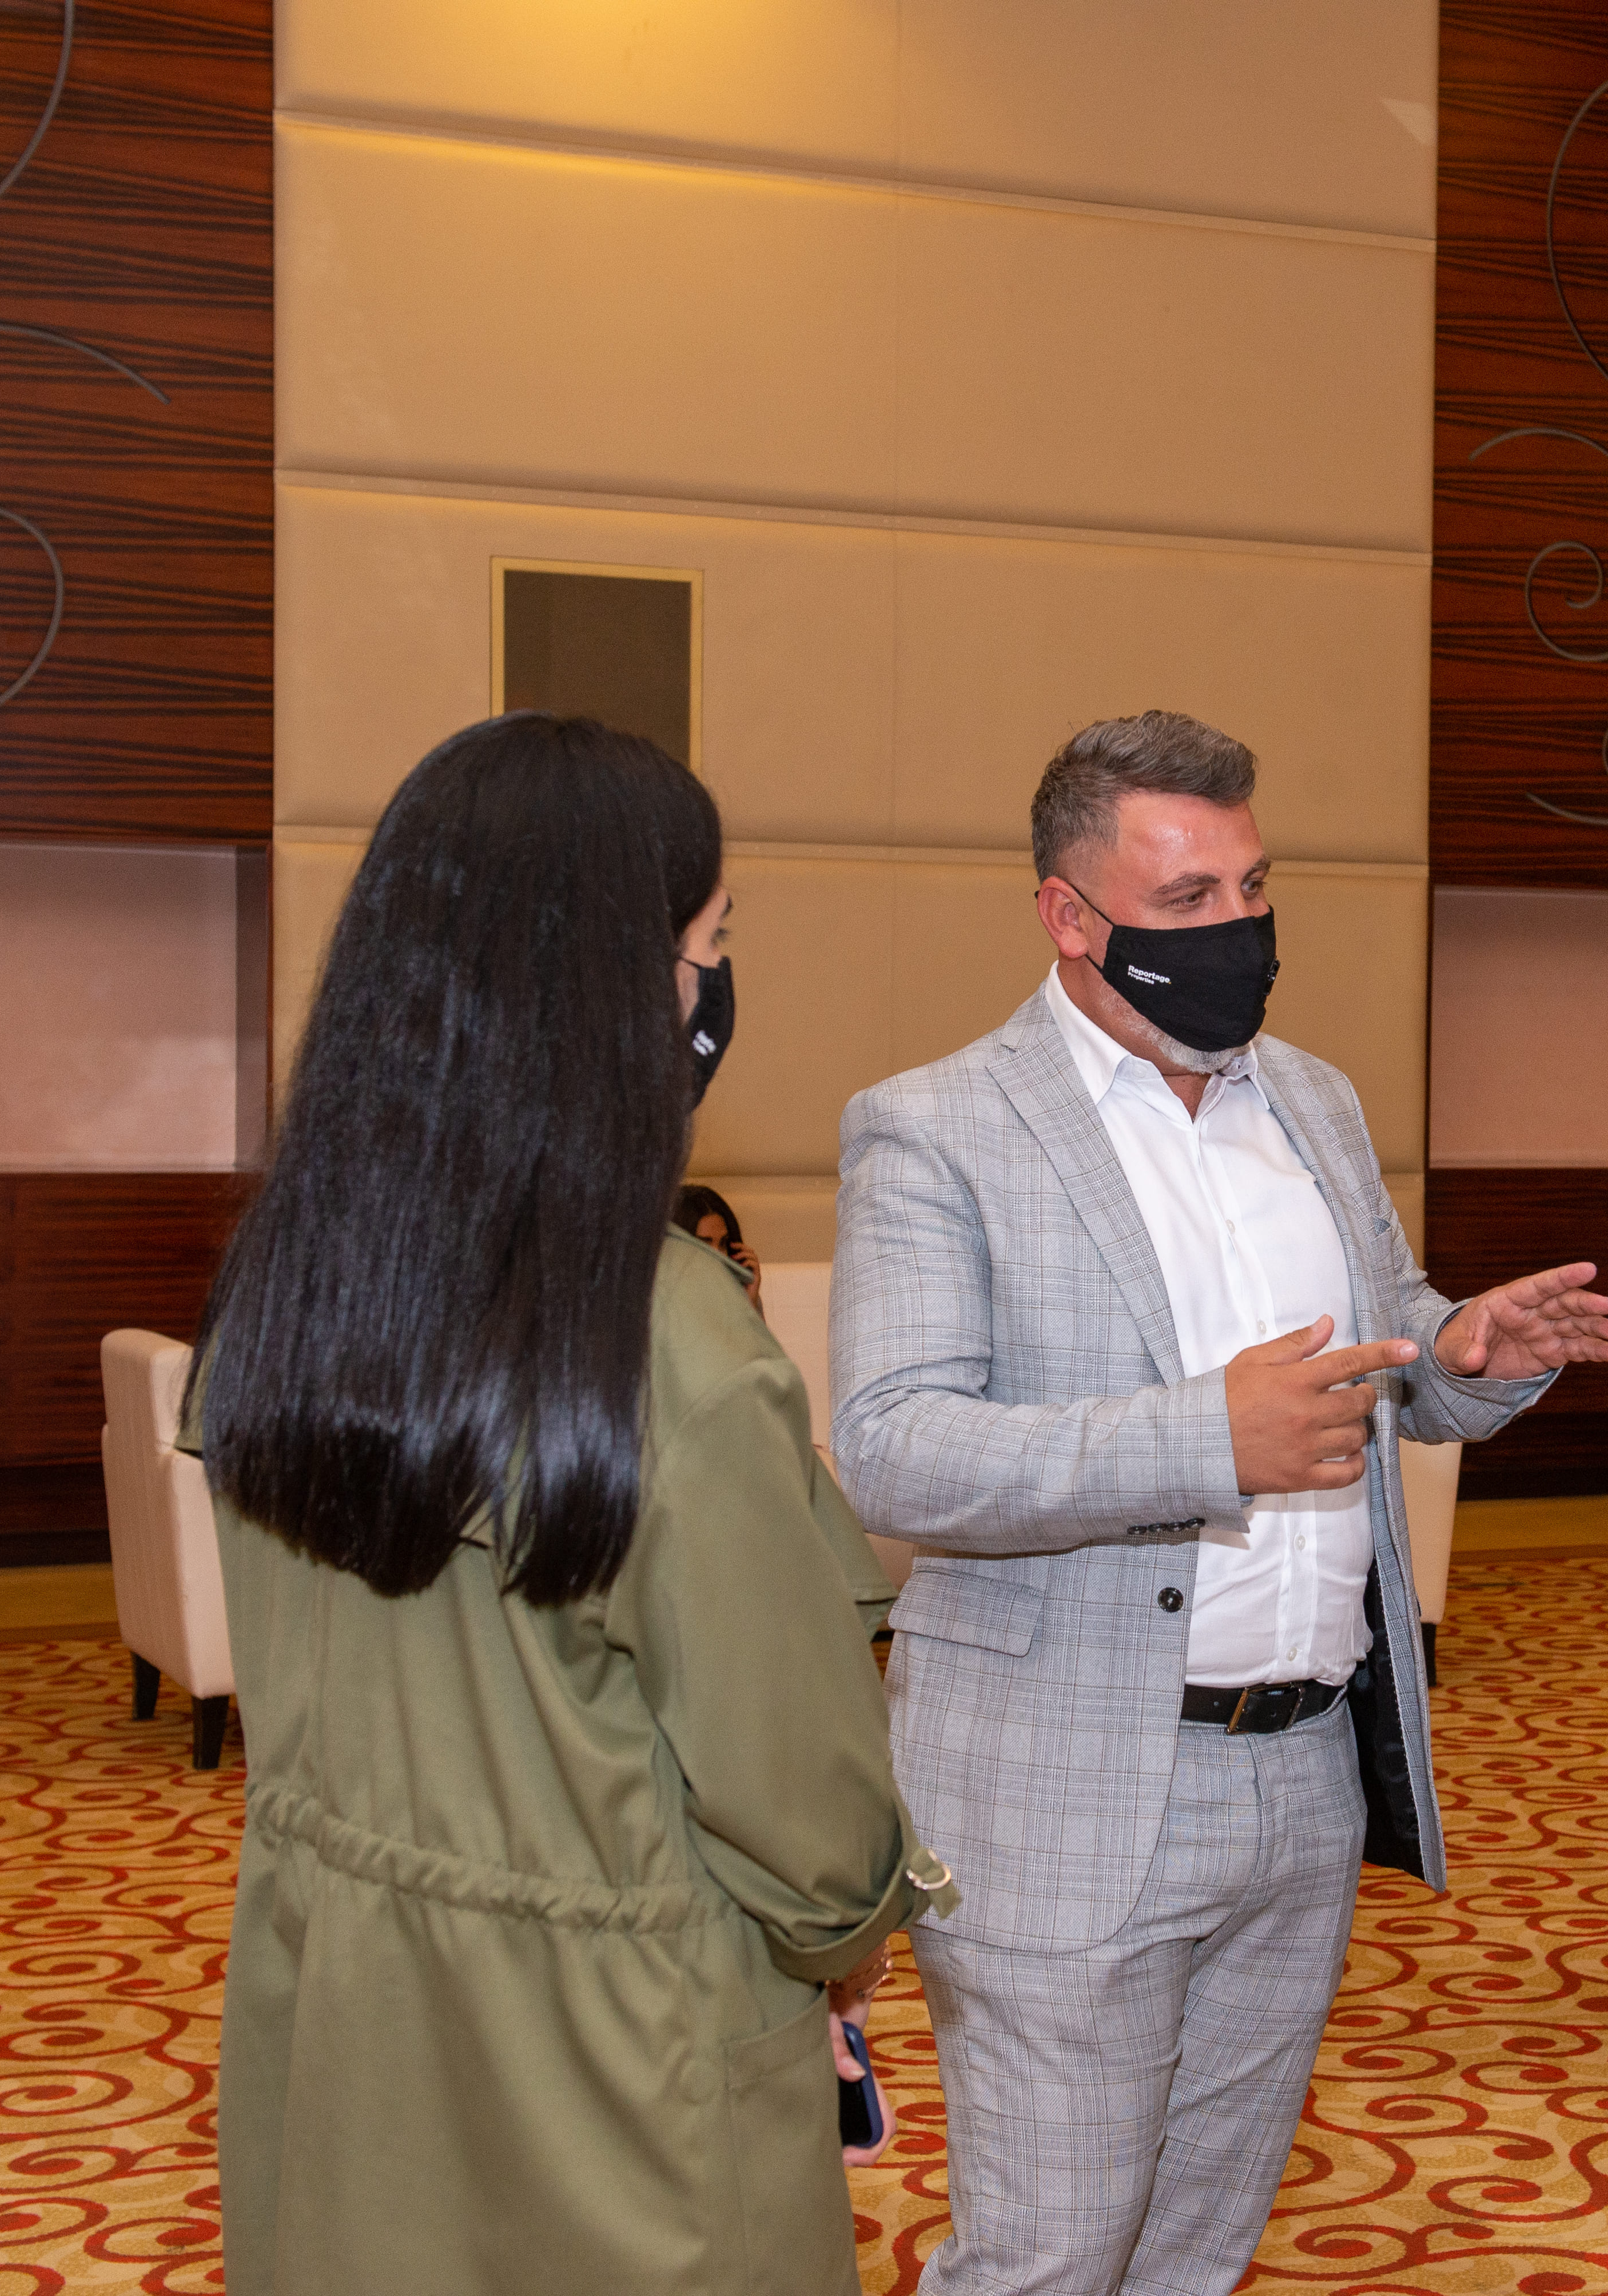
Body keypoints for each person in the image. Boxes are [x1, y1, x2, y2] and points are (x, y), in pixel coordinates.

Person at [828, 709, 1608, 2296]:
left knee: (1198, 2252)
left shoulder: (1311, 1100)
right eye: (1187, 900)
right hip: (1064, 1781)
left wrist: (1465, 1352)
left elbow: (1383, 1359)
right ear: (1069, 915)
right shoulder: (936, 1126)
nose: (1237, 930)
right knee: (1050, 2259)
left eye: (1253, 889)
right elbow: (897, 1448)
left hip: (1302, 1776)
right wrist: (1207, 1439)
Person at [188, 713, 950, 2295]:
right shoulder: (662, 1333)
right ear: (610, 985)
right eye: (708, 944)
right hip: (620, 2059)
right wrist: (848, 1937)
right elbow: (795, 1798)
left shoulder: (290, 1280)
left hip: (339, 2014)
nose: (713, 987)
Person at [675, 1180, 766, 1315]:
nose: (720, 1256)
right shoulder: (659, 1300)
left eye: (723, 1244)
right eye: (704, 1245)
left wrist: (748, 1306)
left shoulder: (740, 1294)